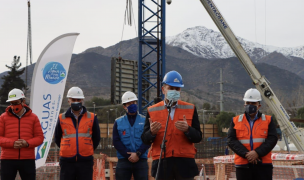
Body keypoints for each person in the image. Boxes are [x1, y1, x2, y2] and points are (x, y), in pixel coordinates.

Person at [141, 71, 202, 180]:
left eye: (177, 89)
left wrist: (188, 130)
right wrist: (151, 133)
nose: (174, 91)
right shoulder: (152, 110)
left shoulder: (190, 108)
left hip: (184, 164)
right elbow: (145, 139)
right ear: (163, 89)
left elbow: (198, 137)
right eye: (171, 88)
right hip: (162, 162)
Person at [227, 88, 278, 180]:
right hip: (243, 166)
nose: (250, 105)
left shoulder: (268, 120)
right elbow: (231, 140)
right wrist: (247, 154)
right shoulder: (235, 120)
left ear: (259, 105)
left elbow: (272, 139)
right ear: (244, 104)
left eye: (253, 103)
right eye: (248, 103)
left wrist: (257, 153)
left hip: (263, 166)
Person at [54, 87, 101, 180]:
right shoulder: (61, 118)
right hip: (67, 162)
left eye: (78, 99)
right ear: (69, 101)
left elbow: (96, 138)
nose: (76, 102)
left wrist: (87, 148)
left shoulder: (91, 117)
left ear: (82, 100)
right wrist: (68, 148)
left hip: (85, 161)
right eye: (73, 100)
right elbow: (57, 138)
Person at [0, 88, 44, 180]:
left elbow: (40, 137)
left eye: (16, 103)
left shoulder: (33, 118)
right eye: (11, 103)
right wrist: (12, 143)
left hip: (27, 159)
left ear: (23, 101)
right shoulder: (3, 118)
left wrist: (27, 143)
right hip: (8, 159)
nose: (13, 106)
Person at [112, 91, 150, 180]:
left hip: (141, 160)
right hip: (124, 160)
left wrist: (138, 153)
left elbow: (148, 140)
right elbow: (116, 141)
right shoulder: (118, 122)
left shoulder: (145, 121)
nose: (132, 105)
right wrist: (127, 154)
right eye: (129, 103)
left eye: (134, 102)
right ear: (124, 106)